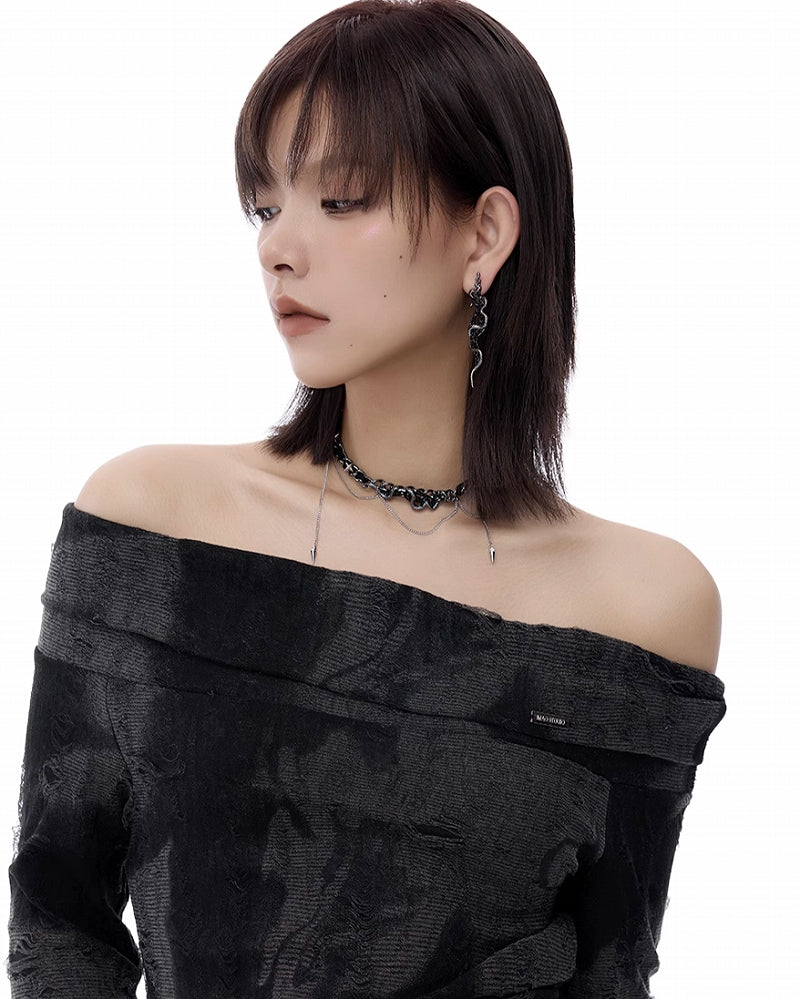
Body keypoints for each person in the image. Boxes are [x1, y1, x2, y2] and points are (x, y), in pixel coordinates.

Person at [6, 1, 726, 996]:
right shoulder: (153, 524)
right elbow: (59, 927)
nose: (279, 247)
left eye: (341, 199)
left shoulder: (642, 606)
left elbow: (608, 975)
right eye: (265, 206)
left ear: (484, 233)